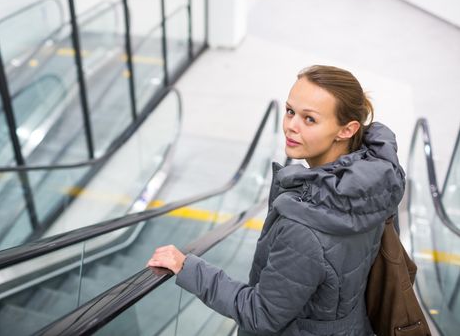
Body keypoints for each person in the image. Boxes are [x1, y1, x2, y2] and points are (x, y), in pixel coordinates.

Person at [147, 65, 406, 335]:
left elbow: (261, 316)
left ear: (347, 130)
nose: (291, 126)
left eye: (310, 120)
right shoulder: (374, 183)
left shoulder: (305, 227)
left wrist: (188, 267)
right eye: (290, 111)